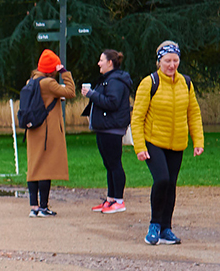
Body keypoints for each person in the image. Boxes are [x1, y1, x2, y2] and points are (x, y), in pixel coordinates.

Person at [131, 41, 205, 245]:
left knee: (171, 184)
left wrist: (198, 140)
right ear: (159, 61)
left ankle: (166, 229)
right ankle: (154, 225)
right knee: (162, 179)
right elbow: (137, 117)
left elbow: (194, 113)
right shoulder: (149, 82)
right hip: (154, 140)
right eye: (167, 61)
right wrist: (140, 147)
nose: (172, 65)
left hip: (177, 143)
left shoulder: (186, 83)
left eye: (175, 60)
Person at [24, 49, 74, 217]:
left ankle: (34, 207)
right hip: (47, 131)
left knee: (34, 167)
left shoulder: (31, 81)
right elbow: (71, 92)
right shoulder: (48, 83)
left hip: (33, 130)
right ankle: (44, 207)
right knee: (46, 168)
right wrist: (64, 73)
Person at [82, 50, 133, 214]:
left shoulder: (116, 81)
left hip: (112, 128)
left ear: (110, 62)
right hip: (104, 127)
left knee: (115, 164)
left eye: (101, 60)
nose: (99, 63)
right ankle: (111, 199)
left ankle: (119, 200)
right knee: (109, 164)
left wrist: (92, 94)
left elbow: (113, 103)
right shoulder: (108, 79)